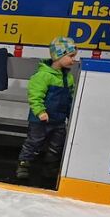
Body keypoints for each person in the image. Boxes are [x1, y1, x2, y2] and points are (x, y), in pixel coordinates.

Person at [16, 37, 78, 180]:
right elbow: (35, 96)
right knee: (34, 141)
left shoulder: (68, 78)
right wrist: (40, 111)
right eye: (71, 56)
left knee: (57, 145)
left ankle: (50, 167)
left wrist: (71, 114)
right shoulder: (42, 76)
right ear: (59, 56)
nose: (73, 60)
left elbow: (70, 98)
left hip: (59, 119)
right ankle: (23, 164)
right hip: (40, 119)